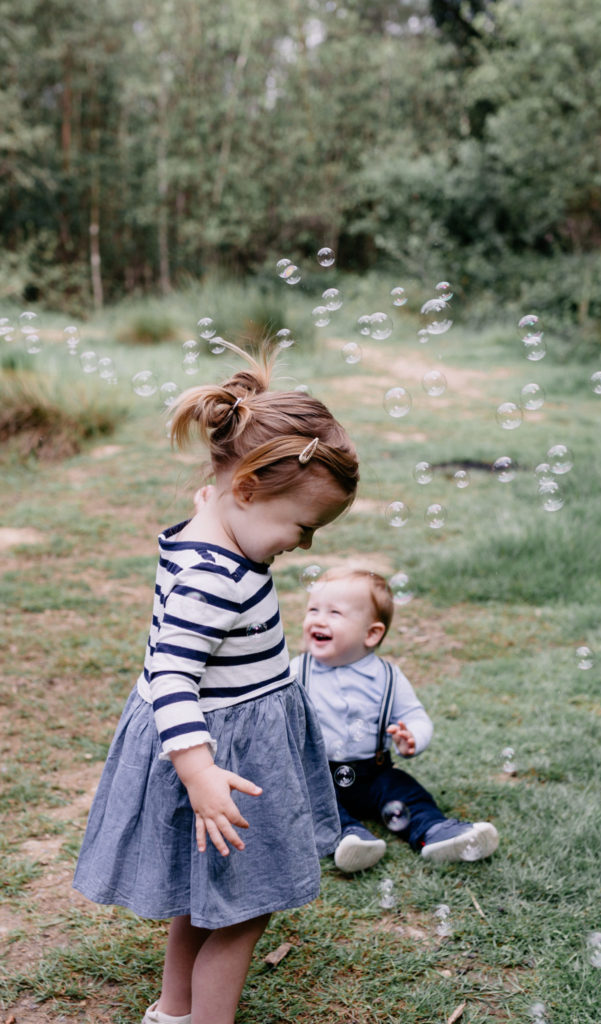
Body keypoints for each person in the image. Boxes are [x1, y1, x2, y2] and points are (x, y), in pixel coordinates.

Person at [73, 341, 359, 1024]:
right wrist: (200, 773)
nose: (303, 544)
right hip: (217, 755)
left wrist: (220, 499)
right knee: (247, 905)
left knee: (208, 898)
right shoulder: (214, 578)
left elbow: (214, 497)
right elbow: (171, 671)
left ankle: (173, 1011)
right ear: (249, 490)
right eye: (302, 526)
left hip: (224, 741)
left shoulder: (212, 520)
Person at [291, 567, 499, 874]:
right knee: (310, 801)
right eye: (313, 610)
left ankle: (435, 832)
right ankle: (347, 837)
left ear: (371, 633)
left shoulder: (388, 676)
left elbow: (415, 716)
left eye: (334, 613)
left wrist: (412, 737)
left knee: (404, 790)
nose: (318, 619)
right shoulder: (296, 671)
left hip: (374, 772)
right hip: (319, 774)